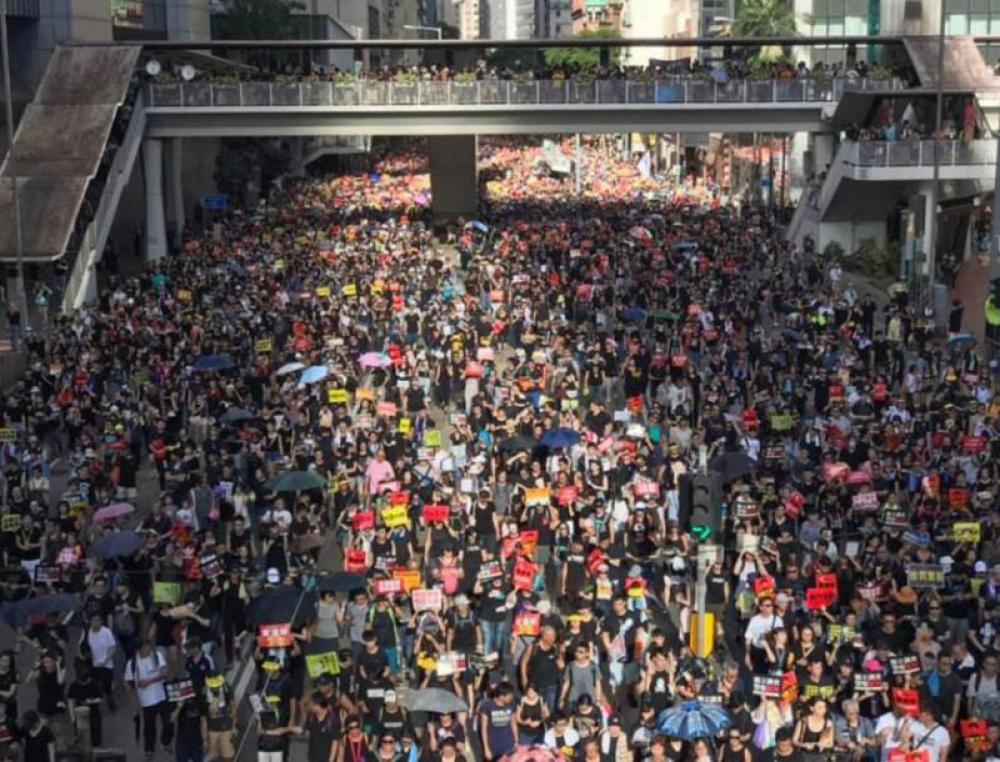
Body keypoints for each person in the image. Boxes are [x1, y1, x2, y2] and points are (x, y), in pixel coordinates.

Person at [124, 639, 173, 762]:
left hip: (161, 696)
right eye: (145, 647)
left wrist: (149, 681)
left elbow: (164, 672)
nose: (147, 649)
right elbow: (128, 682)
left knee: (168, 722)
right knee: (149, 726)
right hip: (146, 700)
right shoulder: (132, 664)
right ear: (138, 650)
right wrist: (134, 701)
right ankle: (149, 749)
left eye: (148, 646)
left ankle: (166, 741)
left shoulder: (157, 656)